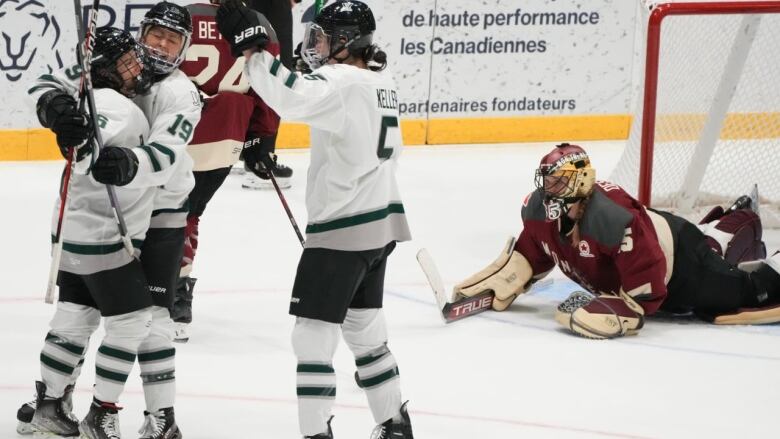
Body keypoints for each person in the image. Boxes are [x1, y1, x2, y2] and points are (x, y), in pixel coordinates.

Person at [216, 1, 414, 437]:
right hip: (380, 225)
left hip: (343, 230)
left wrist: (255, 51)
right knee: (364, 331)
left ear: (345, 42)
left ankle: (315, 433)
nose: (315, 46)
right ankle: (395, 424)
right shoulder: (381, 79)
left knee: (311, 338)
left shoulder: (340, 81)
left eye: (323, 37)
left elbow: (292, 96)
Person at [455, 143, 780, 339]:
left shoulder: (610, 218)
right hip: (659, 233)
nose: (548, 190)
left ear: (580, 180)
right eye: (547, 181)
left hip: (680, 265)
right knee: (713, 247)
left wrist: (626, 308)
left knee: (750, 292)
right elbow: (533, 250)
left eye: (558, 182)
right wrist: (511, 272)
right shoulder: (542, 211)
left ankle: (747, 230)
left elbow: (650, 283)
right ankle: (725, 225)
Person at [19, 27, 159, 438]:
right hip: (104, 237)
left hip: (69, 234)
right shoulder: (120, 107)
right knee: (132, 320)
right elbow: (82, 158)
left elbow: (74, 143)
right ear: (107, 71)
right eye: (127, 62)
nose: (137, 68)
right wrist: (85, 146)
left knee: (74, 319)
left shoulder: (90, 99)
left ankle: (47, 405)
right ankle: (102, 413)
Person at [172, 0, 283, 342]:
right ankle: (178, 293)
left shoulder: (183, 15)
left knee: (164, 213)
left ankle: (161, 288)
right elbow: (272, 89)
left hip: (176, 132)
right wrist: (262, 137)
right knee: (191, 214)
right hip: (226, 138)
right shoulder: (263, 24)